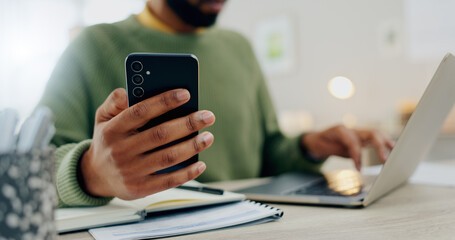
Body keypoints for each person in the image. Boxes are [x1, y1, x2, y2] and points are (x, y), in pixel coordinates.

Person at [39, 0, 393, 207]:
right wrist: (89, 172)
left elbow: (269, 150)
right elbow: (28, 169)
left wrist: (308, 146)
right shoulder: (91, 46)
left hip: (246, 221)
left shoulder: (239, 47)